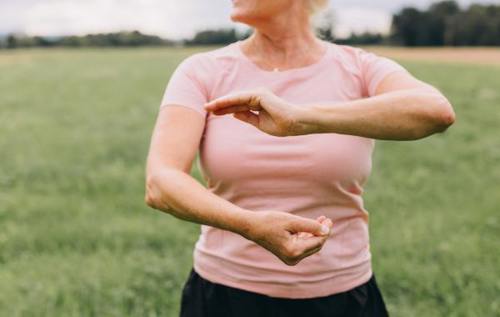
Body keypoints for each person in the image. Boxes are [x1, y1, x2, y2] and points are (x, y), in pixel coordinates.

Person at [144, 0, 456, 316]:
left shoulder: (358, 67)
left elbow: (435, 111)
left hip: (343, 296)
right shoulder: (202, 71)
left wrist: (301, 118)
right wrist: (248, 225)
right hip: (223, 295)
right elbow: (161, 182)